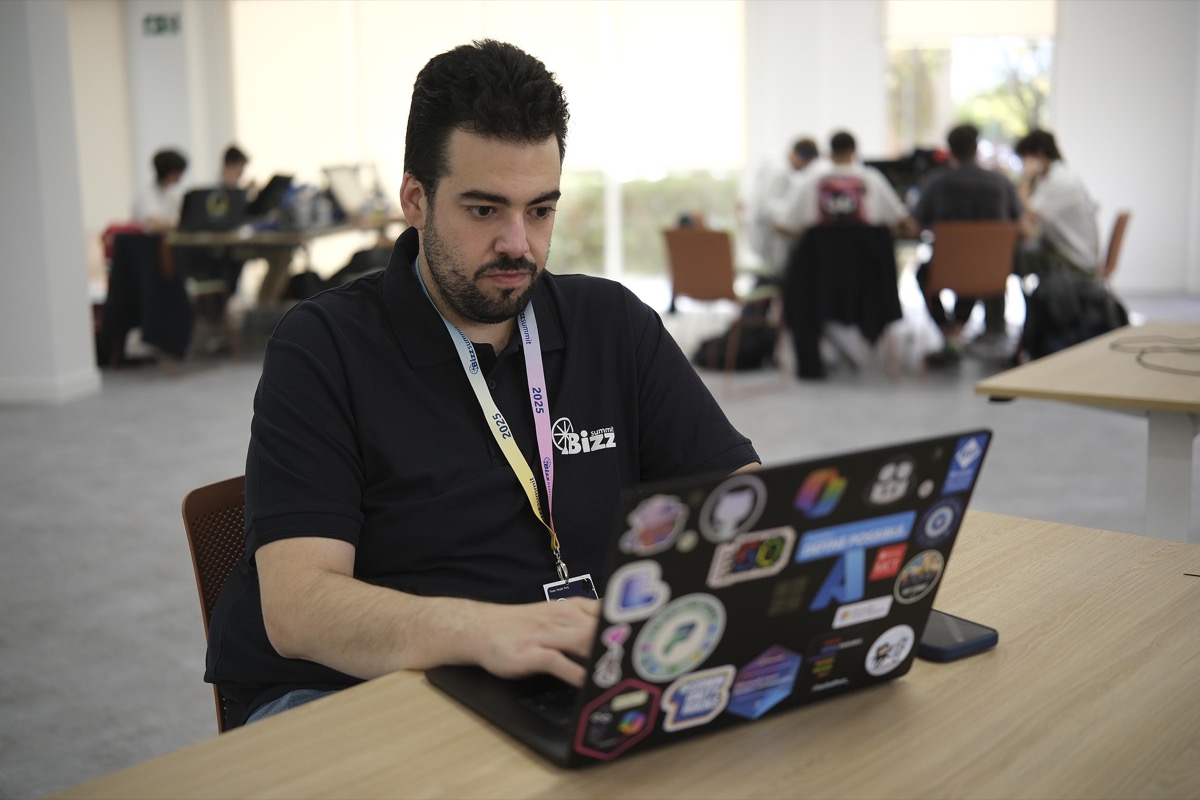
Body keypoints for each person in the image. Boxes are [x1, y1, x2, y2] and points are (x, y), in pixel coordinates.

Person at [204, 39, 760, 728]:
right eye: (484, 210)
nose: (519, 245)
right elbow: (298, 609)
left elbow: (745, 504)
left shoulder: (611, 324)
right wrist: (488, 631)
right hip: (352, 692)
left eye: (541, 210)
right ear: (416, 199)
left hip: (565, 678)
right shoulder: (323, 348)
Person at [912, 124, 1023, 355]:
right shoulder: (1000, 183)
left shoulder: (936, 183)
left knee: (924, 274)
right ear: (976, 148)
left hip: (948, 266)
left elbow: (916, 223)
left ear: (950, 149)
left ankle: (948, 329)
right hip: (992, 269)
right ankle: (962, 328)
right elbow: (1019, 223)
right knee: (974, 272)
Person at [771, 130, 914, 239]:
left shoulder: (811, 180)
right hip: (863, 268)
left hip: (822, 269)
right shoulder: (872, 179)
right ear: (855, 152)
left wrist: (813, 236)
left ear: (829, 153)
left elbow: (781, 226)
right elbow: (902, 222)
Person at [1013, 129, 1100, 277]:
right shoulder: (1050, 178)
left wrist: (1027, 176)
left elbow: (1027, 213)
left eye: (1025, 159)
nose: (1024, 165)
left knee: (1010, 259)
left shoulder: (1059, 181)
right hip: (1065, 253)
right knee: (1016, 255)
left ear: (1039, 154)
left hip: (1075, 262)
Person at [745, 137, 820, 280]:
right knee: (773, 278)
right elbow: (768, 207)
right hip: (769, 235)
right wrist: (792, 216)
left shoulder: (780, 171)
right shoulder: (780, 173)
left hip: (768, 233)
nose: (806, 167)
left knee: (768, 279)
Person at [131, 148, 187, 231]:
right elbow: (154, 223)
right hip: (148, 241)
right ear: (169, 172)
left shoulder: (172, 193)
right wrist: (181, 225)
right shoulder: (146, 193)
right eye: (178, 172)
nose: (181, 176)